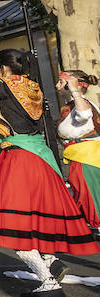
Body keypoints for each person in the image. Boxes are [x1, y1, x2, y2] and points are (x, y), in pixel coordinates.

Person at [0, 29, 99, 296]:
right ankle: (52, 262)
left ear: (6, 69)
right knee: (36, 215)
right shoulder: (31, 86)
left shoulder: (7, 88)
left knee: (15, 222)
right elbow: (3, 82)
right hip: (39, 156)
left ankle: (48, 281)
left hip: (18, 159)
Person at [57, 70, 100, 228]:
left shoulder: (83, 104)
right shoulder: (73, 106)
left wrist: (75, 91)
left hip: (86, 156)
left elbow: (83, 115)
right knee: (84, 192)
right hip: (80, 156)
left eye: (61, 83)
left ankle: (97, 224)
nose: (57, 86)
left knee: (90, 192)